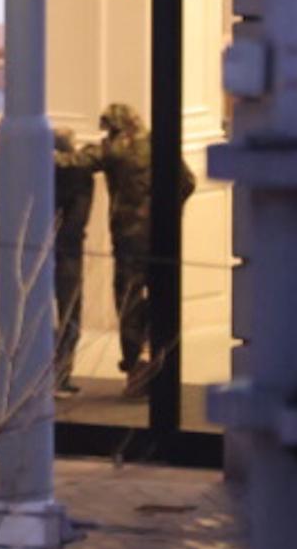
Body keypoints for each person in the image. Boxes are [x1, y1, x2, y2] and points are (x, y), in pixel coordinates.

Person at [55, 103, 195, 398]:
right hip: (164, 236)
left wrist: (42, 153)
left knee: (129, 300)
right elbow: (188, 182)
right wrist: (170, 212)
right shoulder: (161, 143)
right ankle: (159, 362)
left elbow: (76, 161)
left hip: (130, 239)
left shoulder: (115, 148)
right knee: (162, 298)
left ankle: (136, 369)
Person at [53, 128, 94, 399]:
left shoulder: (34, 171)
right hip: (69, 253)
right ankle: (61, 375)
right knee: (69, 313)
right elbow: (78, 220)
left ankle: (32, 375)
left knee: (35, 313)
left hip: (35, 251)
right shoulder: (81, 175)